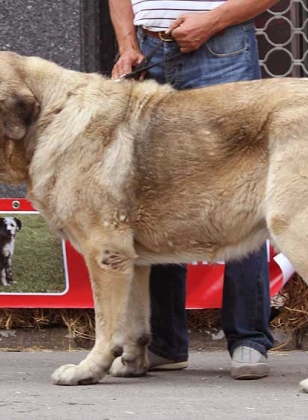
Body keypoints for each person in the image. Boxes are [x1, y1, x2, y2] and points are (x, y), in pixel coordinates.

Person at [109, 0, 278, 380]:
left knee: (241, 192)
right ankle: (165, 344)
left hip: (221, 45)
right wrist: (126, 45)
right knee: (156, 194)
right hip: (148, 48)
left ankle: (248, 339)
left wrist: (213, 19)